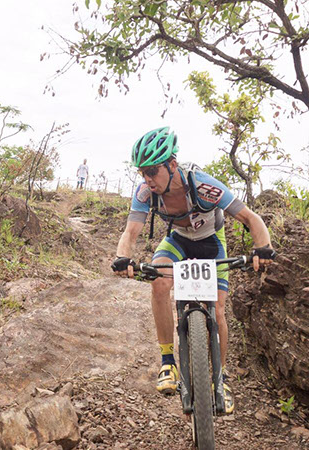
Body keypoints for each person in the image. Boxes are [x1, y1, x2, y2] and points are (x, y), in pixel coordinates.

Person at [111, 127, 275, 414]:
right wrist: (122, 258)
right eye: (143, 173)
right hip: (179, 241)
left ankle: (220, 377)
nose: (148, 179)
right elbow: (131, 231)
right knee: (159, 283)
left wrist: (263, 248)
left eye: (152, 171)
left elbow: (250, 218)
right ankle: (167, 362)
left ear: (172, 165)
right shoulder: (145, 193)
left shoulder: (203, 185)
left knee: (218, 309)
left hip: (212, 242)